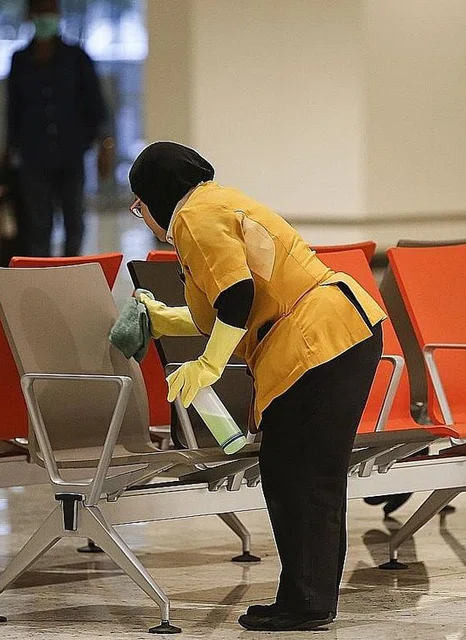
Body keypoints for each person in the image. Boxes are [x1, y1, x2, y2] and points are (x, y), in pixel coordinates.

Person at [128, 142, 385, 632]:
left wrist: (207, 365)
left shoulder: (191, 218)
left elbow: (238, 297)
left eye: (139, 203)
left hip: (317, 341)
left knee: (296, 474)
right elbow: (242, 299)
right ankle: (309, 599)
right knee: (310, 475)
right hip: (345, 329)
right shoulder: (216, 201)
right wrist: (169, 320)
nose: (141, 215)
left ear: (158, 194)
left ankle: (306, 601)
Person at [7, 0, 113, 257]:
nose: (46, 18)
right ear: (31, 16)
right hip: (33, 156)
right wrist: (10, 151)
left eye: (50, 12)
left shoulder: (76, 58)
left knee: (74, 221)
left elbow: (95, 104)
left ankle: (71, 274)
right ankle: (40, 279)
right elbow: (13, 110)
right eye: (40, 12)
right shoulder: (20, 60)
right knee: (38, 224)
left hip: (71, 153)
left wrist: (105, 143)